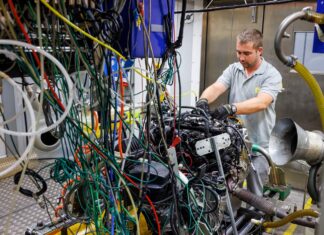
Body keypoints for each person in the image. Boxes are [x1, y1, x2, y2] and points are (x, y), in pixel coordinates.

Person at [196, 28, 282, 196]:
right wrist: (203, 100)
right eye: (238, 52)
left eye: (247, 53)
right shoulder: (234, 69)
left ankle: (256, 220)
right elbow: (216, 87)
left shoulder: (272, 75)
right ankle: (232, 218)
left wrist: (231, 108)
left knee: (255, 195)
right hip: (233, 144)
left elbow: (262, 102)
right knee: (231, 190)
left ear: (259, 51)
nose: (241, 58)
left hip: (259, 146)